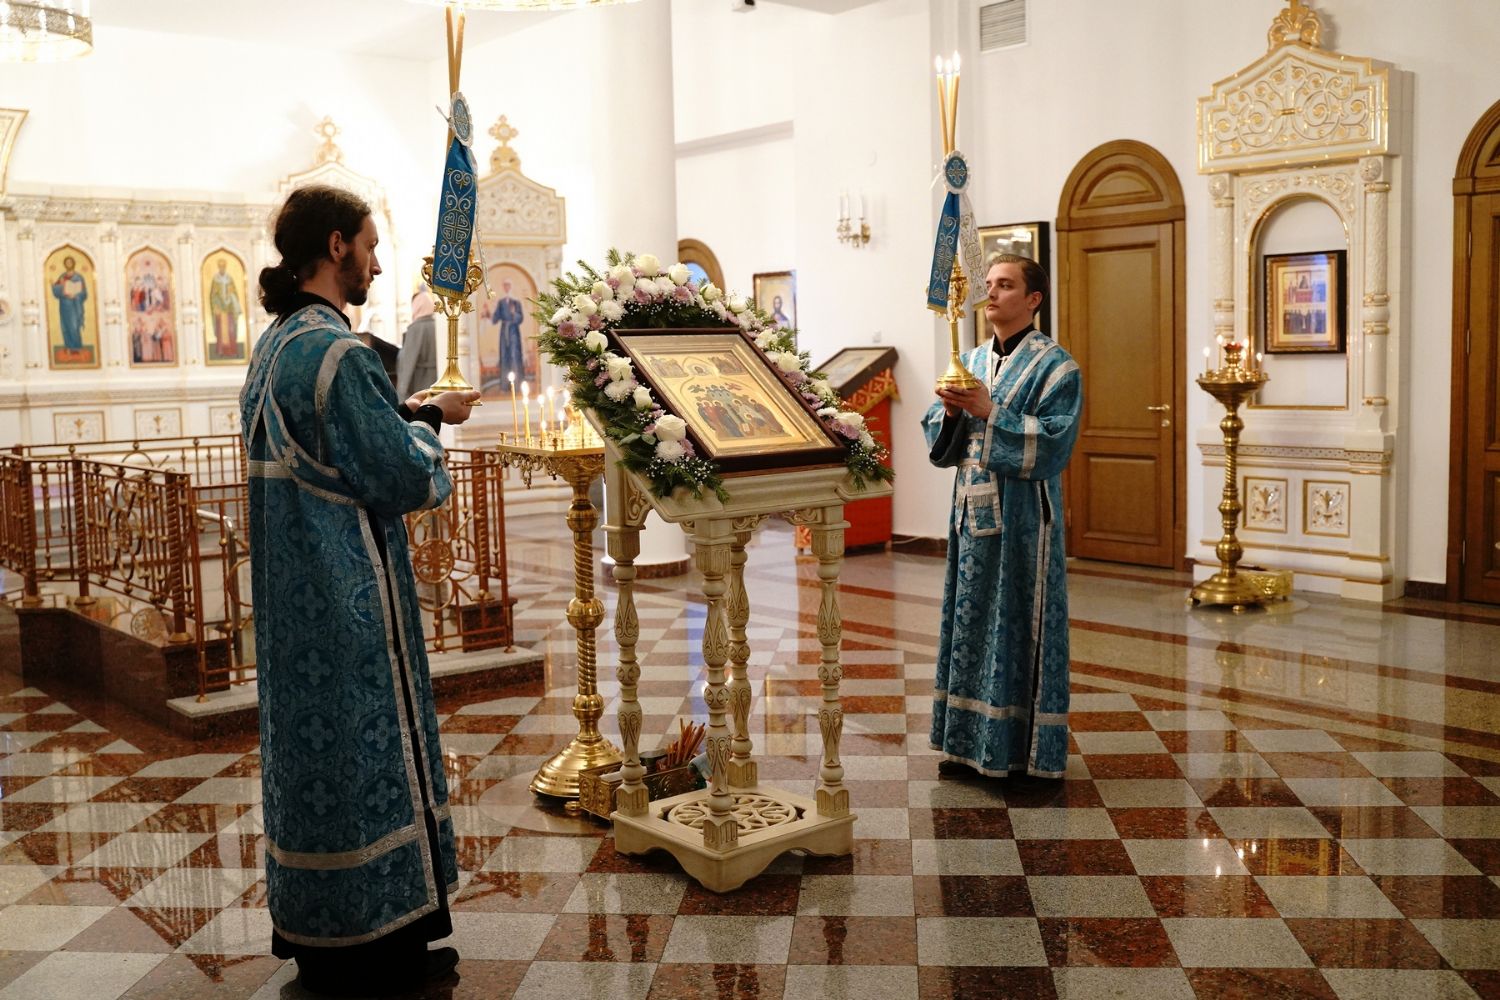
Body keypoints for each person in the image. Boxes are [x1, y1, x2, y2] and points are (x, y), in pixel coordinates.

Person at [239, 184, 479, 997]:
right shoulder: (339, 353)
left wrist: (404, 409)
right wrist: (432, 426)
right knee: (369, 760)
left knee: (315, 769)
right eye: (371, 246)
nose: (377, 263)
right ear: (336, 245)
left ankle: (323, 940)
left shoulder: (277, 346)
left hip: (289, 607)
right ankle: (382, 947)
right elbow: (399, 474)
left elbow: (337, 443)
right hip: (351, 602)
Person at [922, 253, 1082, 779]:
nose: (990, 293)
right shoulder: (968, 359)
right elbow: (938, 435)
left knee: (1017, 626)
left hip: (1024, 523)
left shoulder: (1057, 367)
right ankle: (964, 746)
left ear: (1033, 299)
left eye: (1005, 285)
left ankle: (1021, 754)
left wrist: (991, 412)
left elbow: (1055, 442)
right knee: (968, 622)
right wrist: (951, 412)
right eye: (989, 284)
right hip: (971, 517)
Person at [395, 286, 439, 400]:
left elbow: (407, 362)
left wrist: (402, 393)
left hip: (421, 382)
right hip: (438, 379)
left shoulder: (415, 328)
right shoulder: (439, 326)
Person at [490, 279, 525, 379]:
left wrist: (514, 314)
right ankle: (505, 385)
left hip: (514, 331)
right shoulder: (501, 302)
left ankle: (517, 383)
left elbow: (520, 318)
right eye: (505, 285)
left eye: (508, 285)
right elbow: (495, 319)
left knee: (514, 355)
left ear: (511, 286)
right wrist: (492, 310)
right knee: (504, 355)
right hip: (504, 331)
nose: (506, 287)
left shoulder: (516, 302)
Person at [51, 255, 88, 352]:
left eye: (70, 262)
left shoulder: (78, 277)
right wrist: (56, 286)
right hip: (64, 306)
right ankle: (68, 346)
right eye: (67, 263)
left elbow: (84, 294)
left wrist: (75, 295)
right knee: (65, 326)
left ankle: (76, 347)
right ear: (65, 264)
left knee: (74, 326)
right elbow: (56, 291)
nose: (68, 264)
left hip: (74, 306)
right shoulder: (62, 277)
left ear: (73, 263)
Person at [210, 258, 244, 360]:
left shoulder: (229, 279)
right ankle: (221, 351)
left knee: (231, 330)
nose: (222, 268)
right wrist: (216, 306)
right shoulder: (215, 280)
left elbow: (234, 293)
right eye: (220, 267)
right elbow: (213, 295)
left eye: (223, 266)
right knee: (221, 331)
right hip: (220, 310)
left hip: (229, 309)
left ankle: (232, 351)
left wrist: (231, 298)